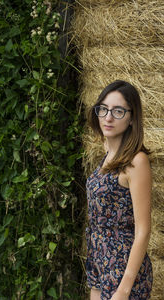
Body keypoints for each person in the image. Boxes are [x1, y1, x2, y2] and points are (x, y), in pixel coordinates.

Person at [85, 80, 153, 300]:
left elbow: (143, 230)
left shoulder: (137, 161)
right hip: (99, 263)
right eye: (103, 109)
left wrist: (123, 289)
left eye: (118, 111)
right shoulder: (108, 157)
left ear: (132, 117)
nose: (108, 117)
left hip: (123, 271)